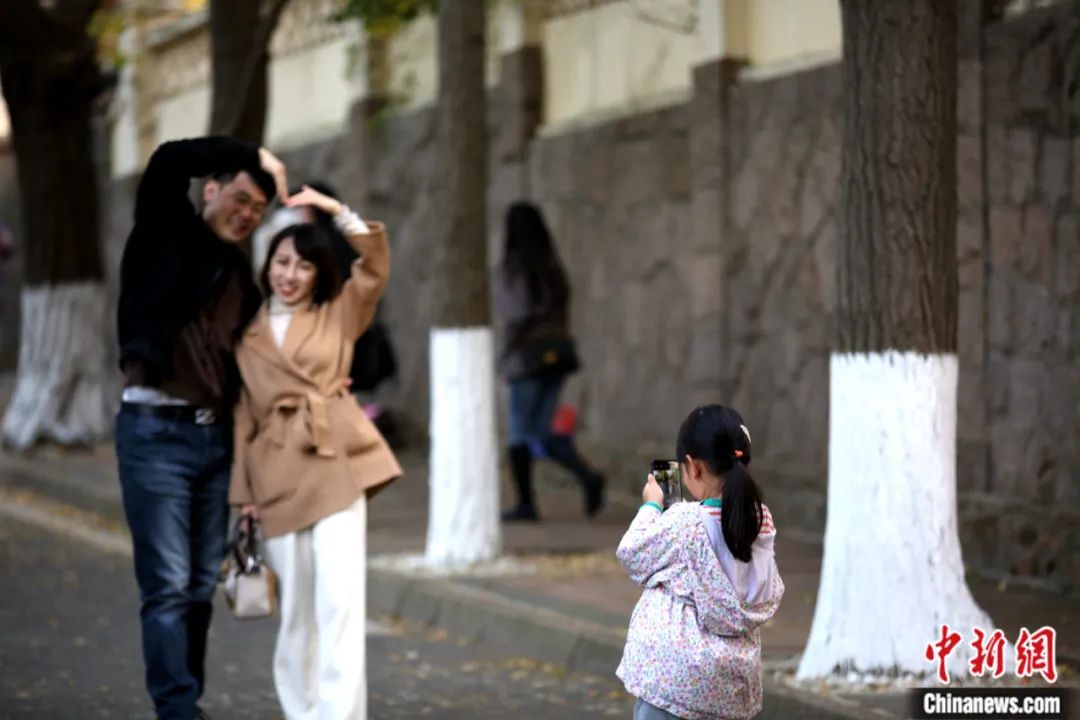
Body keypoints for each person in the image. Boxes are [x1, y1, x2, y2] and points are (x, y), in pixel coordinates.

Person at [115, 136, 286, 720]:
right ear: (209, 190)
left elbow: (252, 374)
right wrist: (254, 153)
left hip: (215, 442)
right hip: (155, 433)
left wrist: (251, 473)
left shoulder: (242, 279)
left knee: (197, 586)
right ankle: (178, 710)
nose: (246, 214)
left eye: (257, 209)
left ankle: (187, 702)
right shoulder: (165, 231)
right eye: (239, 199)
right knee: (166, 585)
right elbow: (167, 160)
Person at [229, 185, 401, 720]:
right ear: (267, 265)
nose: (290, 274)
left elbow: (374, 265)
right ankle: (302, 711)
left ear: (318, 273)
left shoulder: (338, 313)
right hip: (275, 473)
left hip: (333, 464)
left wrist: (336, 212)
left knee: (340, 604)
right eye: (282, 262)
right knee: (296, 611)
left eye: (303, 266)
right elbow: (243, 417)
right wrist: (244, 497)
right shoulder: (247, 332)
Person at [615, 405, 784, 720]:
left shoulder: (684, 522)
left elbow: (633, 553)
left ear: (693, 467)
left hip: (673, 684)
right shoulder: (761, 521)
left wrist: (652, 507)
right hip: (729, 688)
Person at [496, 201, 604, 521]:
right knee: (542, 432)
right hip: (557, 356)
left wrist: (507, 350)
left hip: (526, 359)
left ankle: (526, 504)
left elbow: (516, 312)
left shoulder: (516, 268)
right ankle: (587, 476)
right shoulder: (551, 267)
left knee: (519, 434)